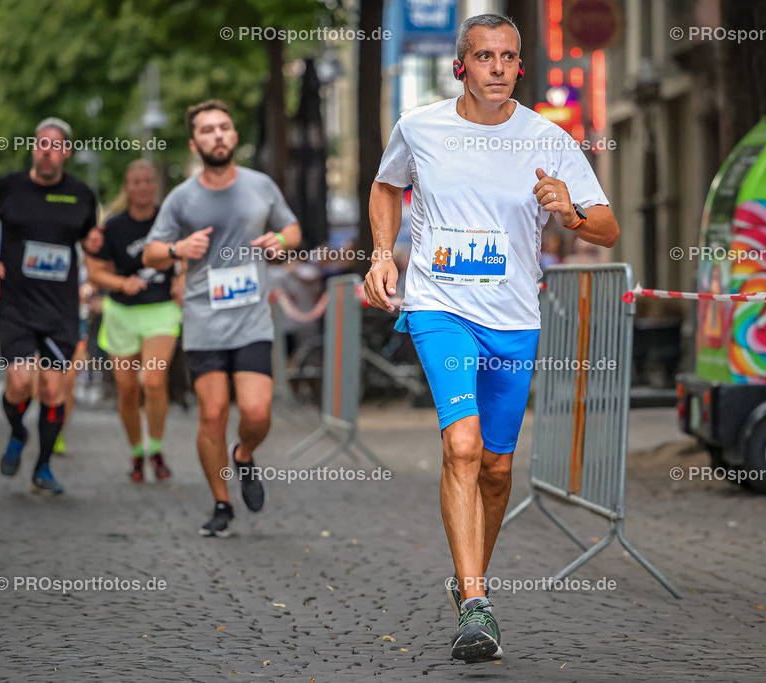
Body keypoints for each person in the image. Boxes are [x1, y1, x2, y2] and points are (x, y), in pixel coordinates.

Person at [364, 13, 619, 664]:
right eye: (485, 57)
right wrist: (381, 253)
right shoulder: (420, 127)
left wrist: (571, 213)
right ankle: (476, 601)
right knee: (463, 443)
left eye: (508, 57)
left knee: (499, 468)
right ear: (461, 67)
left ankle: (467, 573)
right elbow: (386, 184)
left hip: (513, 318)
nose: (499, 67)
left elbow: (608, 229)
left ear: (519, 67)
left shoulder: (548, 138)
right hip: (440, 306)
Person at [143, 99, 301, 537]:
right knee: (211, 414)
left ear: (234, 137)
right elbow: (150, 252)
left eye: (224, 127)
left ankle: (244, 454)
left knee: (256, 411)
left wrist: (279, 241)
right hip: (203, 320)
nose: (217, 135)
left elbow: (292, 229)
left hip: (251, 319)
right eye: (207, 130)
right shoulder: (182, 198)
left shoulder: (260, 185)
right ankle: (221, 502)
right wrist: (178, 249)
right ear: (195, 143)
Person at [0, 117, 99, 495]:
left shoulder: (81, 194)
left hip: (60, 308)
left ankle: (42, 469)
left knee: (54, 390)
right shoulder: (8, 188)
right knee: (22, 382)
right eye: (41, 143)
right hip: (18, 304)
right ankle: (17, 431)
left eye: (55, 145)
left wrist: (93, 258)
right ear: (33, 148)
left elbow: (90, 239)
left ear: (67, 152)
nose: (47, 150)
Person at [87, 158, 183, 482]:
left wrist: (183, 280)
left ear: (155, 186)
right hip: (122, 314)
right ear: (127, 188)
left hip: (161, 310)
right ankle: (136, 453)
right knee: (127, 391)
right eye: (136, 182)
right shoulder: (114, 227)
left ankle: (156, 448)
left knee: (153, 381)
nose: (142, 187)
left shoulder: (168, 222)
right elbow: (95, 272)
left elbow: (188, 257)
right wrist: (120, 284)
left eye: (147, 181)